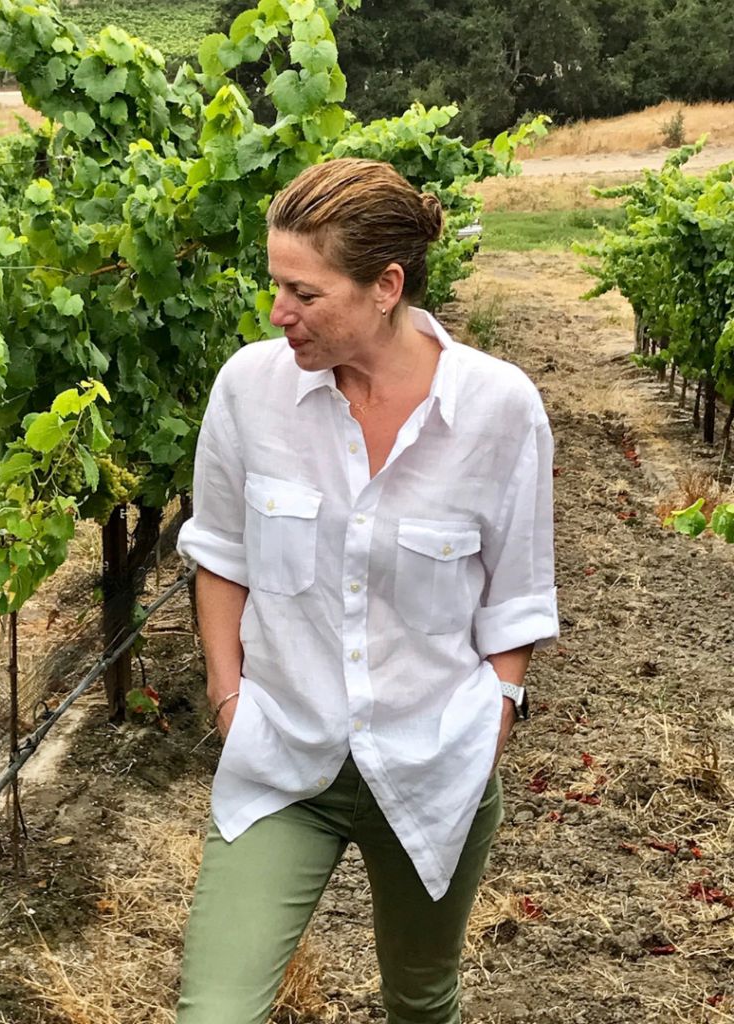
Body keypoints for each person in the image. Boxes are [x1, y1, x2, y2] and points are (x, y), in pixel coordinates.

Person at [174, 157, 557, 1024]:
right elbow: (223, 552)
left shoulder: (499, 409)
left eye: (304, 293)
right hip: (285, 760)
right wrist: (228, 697)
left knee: (421, 1002)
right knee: (214, 1013)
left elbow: (517, 598)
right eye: (276, 285)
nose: (280, 314)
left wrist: (491, 716)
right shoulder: (249, 390)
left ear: (386, 285)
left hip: (434, 763)